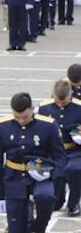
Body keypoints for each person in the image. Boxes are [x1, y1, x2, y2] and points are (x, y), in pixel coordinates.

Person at [0, 91, 66, 233]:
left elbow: (60, 158)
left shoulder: (48, 125)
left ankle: (39, 231)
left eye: (25, 116)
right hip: (14, 177)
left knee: (45, 197)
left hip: (40, 175)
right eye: (17, 117)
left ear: (32, 109)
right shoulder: (2, 126)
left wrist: (49, 172)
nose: (21, 121)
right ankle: (26, 209)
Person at [38, 79, 81, 217]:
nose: (61, 104)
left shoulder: (79, 107)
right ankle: (57, 200)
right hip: (54, 152)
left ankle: (73, 203)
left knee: (74, 170)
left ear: (71, 95)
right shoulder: (45, 108)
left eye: (64, 101)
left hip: (74, 150)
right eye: (58, 101)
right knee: (58, 178)